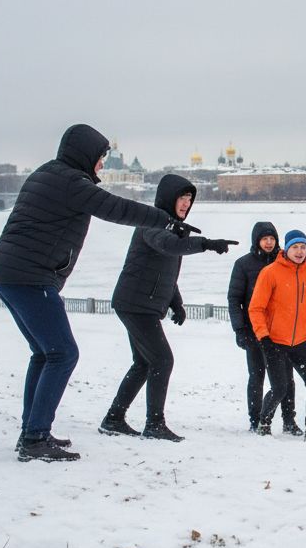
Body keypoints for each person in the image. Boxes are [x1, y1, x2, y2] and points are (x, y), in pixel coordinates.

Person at [0, 124, 182, 462]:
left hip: (10, 274)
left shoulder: (47, 173)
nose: (103, 164)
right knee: (63, 353)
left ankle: (32, 432)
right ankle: (34, 438)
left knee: (45, 353)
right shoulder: (72, 183)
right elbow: (116, 208)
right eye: (101, 157)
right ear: (86, 154)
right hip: (29, 278)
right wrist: (162, 219)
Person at [100, 174, 237, 442]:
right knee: (162, 360)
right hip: (135, 304)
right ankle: (154, 424)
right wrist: (206, 244)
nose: (186, 203)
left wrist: (177, 303)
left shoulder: (172, 226)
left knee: (143, 363)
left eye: (189, 199)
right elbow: (169, 247)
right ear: (168, 198)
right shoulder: (151, 222)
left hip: (142, 304)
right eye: (181, 198)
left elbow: (166, 271)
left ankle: (114, 418)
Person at [248, 230, 306, 441]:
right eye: (295, 247)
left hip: (301, 342)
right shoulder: (270, 272)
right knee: (280, 389)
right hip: (275, 342)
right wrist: (263, 337)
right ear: (286, 249)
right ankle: (264, 423)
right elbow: (255, 308)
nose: (300, 251)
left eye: (303, 247)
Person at [228, 222, 297, 435]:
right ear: (257, 240)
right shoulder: (244, 264)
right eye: (264, 239)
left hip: (280, 332)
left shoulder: (285, 263)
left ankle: (289, 420)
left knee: (286, 379)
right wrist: (240, 329)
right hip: (254, 331)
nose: (269, 243)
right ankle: (255, 418)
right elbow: (234, 299)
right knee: (256, 376)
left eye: (272, 239)